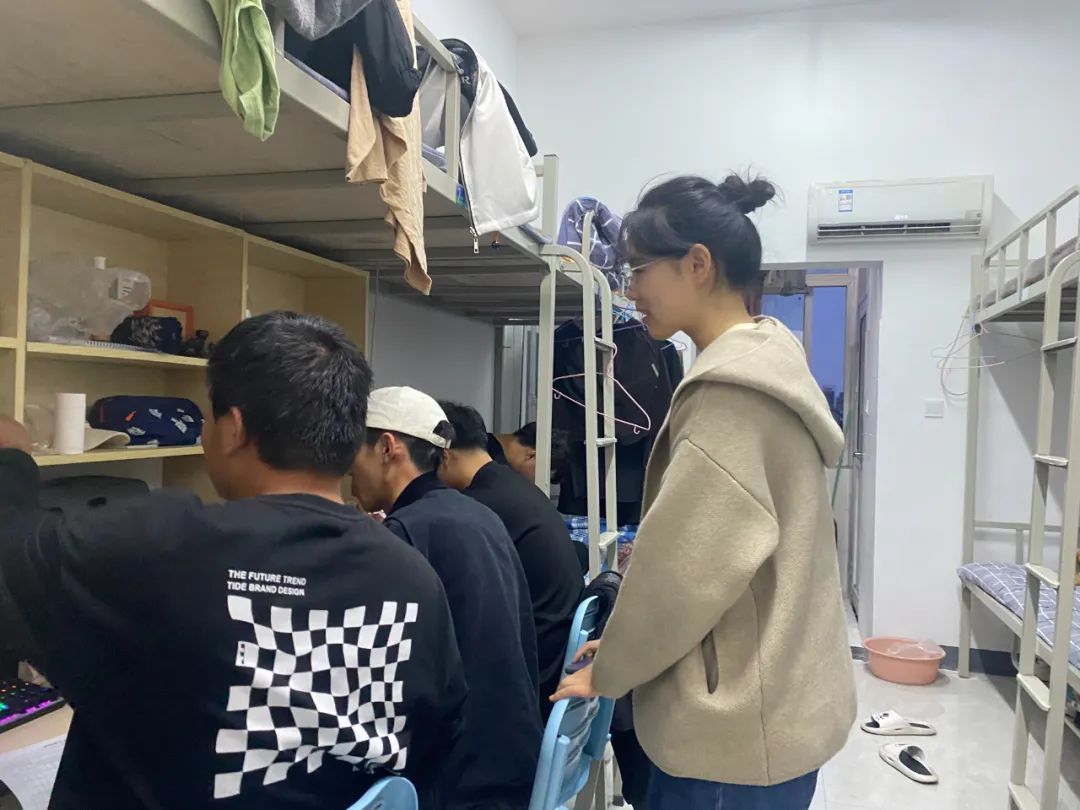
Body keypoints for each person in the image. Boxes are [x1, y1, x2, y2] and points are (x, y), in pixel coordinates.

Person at [0, 312, 467, 810]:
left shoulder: (160, 549)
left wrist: (11, 455)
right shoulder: (414, 577)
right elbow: (439, 732)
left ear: (234, 429)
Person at [552, 175, 856, 810]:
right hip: (777, 705)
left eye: (639, 269)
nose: (630, 289)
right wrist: (627, 644)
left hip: (731, 738)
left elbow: (682, 576)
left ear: (697, 264)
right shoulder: (769, 362)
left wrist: (609, 672)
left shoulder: (728, 397)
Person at [350, 387, 542, 810]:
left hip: (462, 782)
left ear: (387, 448)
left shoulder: (408, 533)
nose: (348, 469)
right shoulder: (476, 515)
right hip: (512, 758)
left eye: (354, 451)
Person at [437, 401, 583, 718]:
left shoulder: (478, 506)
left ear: (443, 454)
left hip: (532, 679)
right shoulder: (511, 488)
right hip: (553, 658)